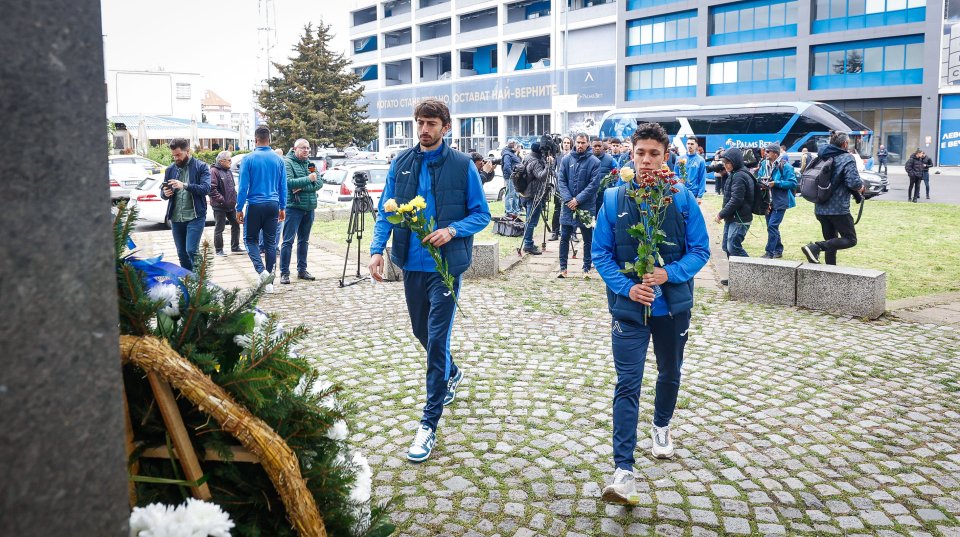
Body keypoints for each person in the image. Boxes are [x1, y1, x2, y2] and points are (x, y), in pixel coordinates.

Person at [592, 122, 710, 505]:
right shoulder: (613, 198)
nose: (646, 160)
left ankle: (661, 426)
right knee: (627, 383)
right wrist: (628, 287)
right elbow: (601, 256)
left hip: (671, 308)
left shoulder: (682, 198)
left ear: (666, 157)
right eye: (640, 153)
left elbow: (700, 251)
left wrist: (667, 274)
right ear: (631, 154)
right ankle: (623, 470)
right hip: (629, 309)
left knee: (670, 370)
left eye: (654, 154)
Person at [368, 99, 491, 463]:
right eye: (421, 122)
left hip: (446, 268)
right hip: (411, 264)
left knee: (437, 338)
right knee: (420, 332)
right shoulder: (401, 163)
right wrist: (377, 249)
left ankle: (428, 422)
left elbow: (482, 214)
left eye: (432, 123)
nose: (425, 129)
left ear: (445, 127)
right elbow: (385, 211)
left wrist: (452, 230)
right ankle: (452, 373)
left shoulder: (463, 166)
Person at [801, 131, 864, 265]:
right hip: (838, 209)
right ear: (845, 143)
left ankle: (830, 270)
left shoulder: (821, 156)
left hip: (820, 207)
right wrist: (862, 188)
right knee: (850, 239)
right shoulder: (847, 158)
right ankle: (815, 247)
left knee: (831, 241)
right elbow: (853, 182)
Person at [236, 126, 286, 292]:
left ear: (255, 140)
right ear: (269, 140)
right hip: (273, 204)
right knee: (271, 243)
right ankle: (270, 283)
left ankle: (261, 271)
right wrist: (283, 206)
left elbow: (243, 187)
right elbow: (282, 186)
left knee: (250, 240)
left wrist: (239, 208)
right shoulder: (279, 160)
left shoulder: (248, 159)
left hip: (255, 204)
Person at [160, 138, 211, 271]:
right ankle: (189, 282)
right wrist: (165, 193)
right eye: (173, 155)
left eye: (178, 155)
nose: (175, 158)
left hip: (195, 216)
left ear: (187, 151)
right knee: (182, 254)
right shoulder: (170, 169)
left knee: (191, 251)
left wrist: (185, 185)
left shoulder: (201, 167)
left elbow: (206, 188)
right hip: (176, 218)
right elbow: (163, 193)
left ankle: (201, 283)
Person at [557, 133, 602, 278]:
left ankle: (586, 268)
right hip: (568, 206)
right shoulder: (566, 159)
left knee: (587, 238)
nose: (580, 145)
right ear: (574, 143)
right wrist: (569, 199)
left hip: (585, 206)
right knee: (564, 237)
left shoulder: (594, 162)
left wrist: (578, 200)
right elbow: (561, 181)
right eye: (578, 142)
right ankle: (563, 268)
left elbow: (593, 185)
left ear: (588, 143)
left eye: (583, 142)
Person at [279, 139, 320, 284]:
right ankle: (284, 272)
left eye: (308, 148)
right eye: (303, 148)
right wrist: (309, 179)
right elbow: (289, 183)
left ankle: (302, 270)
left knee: (304, 241)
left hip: (309, 208)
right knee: (288, 241)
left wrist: (302, 186)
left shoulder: (311, 165)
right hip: (294, 208)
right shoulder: (287, 163)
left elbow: (319, 183)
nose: (307, 151)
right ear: (294, 149)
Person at [715, 147, 754, 278]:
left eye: (728, 162)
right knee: (726, 247)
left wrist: (721, 214)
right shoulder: (734, 174)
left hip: (740, 219)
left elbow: (736, 200)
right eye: (724, 162)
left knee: (733, 246)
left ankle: (753, 272)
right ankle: (736, 277)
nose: (725, 165)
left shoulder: (740, 176)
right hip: (732, 218)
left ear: (735, 161)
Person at [757, 143, 797, 259]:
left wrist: (776, 183)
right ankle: (778, 249)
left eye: (768, 151)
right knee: (772, 227)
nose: (765, 153)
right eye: (765, 151)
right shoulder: (764, 164)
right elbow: (759, 177)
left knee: (772, 226)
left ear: (775, 153)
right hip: (767, 201)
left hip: (780, 201)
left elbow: (793, 183)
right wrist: (762, 184)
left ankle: (769, 253)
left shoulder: (785, 166)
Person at [518, 142, 551, 255]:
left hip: (525, 193)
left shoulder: (527, 157)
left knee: (529, 220)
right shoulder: (536, 161)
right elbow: (542, 176)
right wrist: (548, 165)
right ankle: (528, 244)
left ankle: (528, 242)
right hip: (534, 195)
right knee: (531, 221)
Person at [209, 150, 241, 256]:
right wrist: (221, 200)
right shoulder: (214, 171)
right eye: (229, 160)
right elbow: (211, 189)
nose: (231, 162)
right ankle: (219, 250)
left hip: (231, 205)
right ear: (222, 161)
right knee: (220, 228)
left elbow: (231, 187)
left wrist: (234, 198)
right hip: (220, 206)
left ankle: (235, 247)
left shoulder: (228, 171)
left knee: (236, 225)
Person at [675, 136, 706, 204]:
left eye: (692, 144)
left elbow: (702, 178)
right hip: (681, 191)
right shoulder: (679, 159)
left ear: (696, 145)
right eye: (688, 143)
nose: (689, 146)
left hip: (693, 193)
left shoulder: (700, 160)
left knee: (692, 213)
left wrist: (699, 196)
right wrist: (678, 180)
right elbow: (675, 174)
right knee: (681, 213)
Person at [501, 141, 522, 219]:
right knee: (510, 194)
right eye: (517, 145)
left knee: (515, 194)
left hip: (514, 177)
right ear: (513, 146)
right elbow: (507, 166)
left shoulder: (511, 154)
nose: (518, 147)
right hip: (511, 177)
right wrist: (512, 175)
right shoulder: (507, 154)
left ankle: (515, 211)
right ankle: (509, 211)